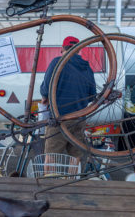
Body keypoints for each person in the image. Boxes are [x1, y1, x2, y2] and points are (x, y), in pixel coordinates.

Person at [40, 36, 96, 164]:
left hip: (59, 119)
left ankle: (49, 182)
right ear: (77, 50)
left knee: (51, 156)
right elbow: (92, 95)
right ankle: (73, 182)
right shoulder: (87, 67)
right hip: (79, 118)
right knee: (76, 156)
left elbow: (46, 88)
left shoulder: (57, 62)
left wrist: (44, 98)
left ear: (62, 49)